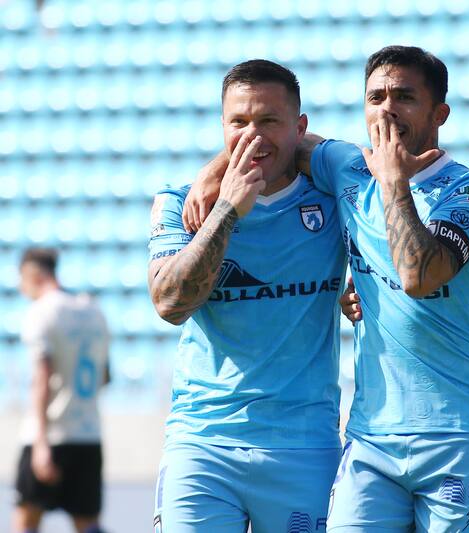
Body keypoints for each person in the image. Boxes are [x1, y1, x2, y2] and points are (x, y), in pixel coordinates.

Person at [185, 45, 469, 532]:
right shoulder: (348, 168)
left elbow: (418, 274)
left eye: (404, 96)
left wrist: (394, 182)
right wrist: (213, 173)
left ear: (439, 113)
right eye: (375, 96)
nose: (386, 108)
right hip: (371, 435)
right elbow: (281, 137)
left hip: (459, 430)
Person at [147, 59, 346, 532]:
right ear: (222, 126)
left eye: (269, 122)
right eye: (239, 123)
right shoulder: (180, 202)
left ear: (299, 127)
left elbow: (360, 164)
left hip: (304, 445)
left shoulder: (333, 201)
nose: (253, 136)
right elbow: (170, 304)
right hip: (203, 442)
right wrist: (227, 211)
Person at [14, 247, 110, 533]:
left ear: (32, 274)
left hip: (50, 435)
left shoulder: (42, 311)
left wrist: (41, 442)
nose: (21, 288)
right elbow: (104, 377)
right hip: (88, 435)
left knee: (26, 520)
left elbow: (42, 378)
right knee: (87, 523)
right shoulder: (94, 311)